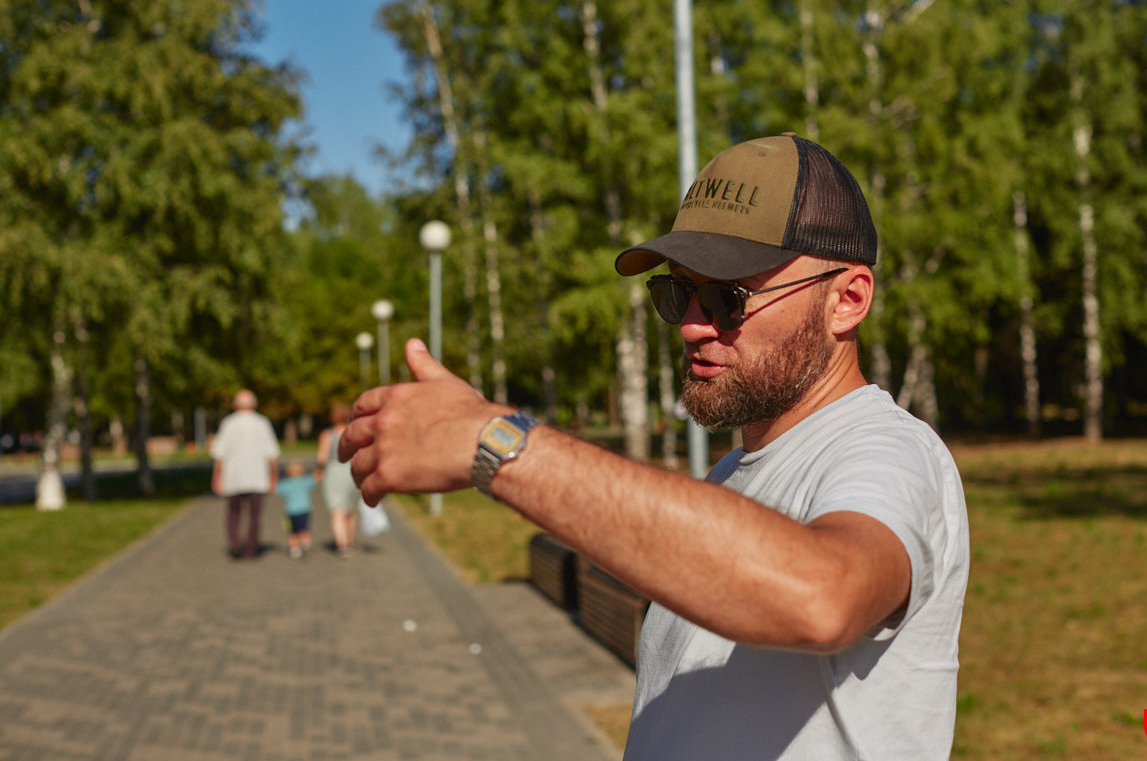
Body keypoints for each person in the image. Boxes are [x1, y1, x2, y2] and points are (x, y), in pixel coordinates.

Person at [337, 133, 970, 759]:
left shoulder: (888, 451)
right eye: (678, 292)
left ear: (848, 301)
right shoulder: (730, 474)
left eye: (728, 298)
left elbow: (824, 596)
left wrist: (497, 443)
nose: (693, 324)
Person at [210, 389, 280, 560]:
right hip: (256, 477)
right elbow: (271, 453)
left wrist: (216, 476)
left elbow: (220, 454)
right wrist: (273, 475)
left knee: (234, 513)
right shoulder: (262, 423)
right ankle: (251, 548)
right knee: (254, 515)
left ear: (235, 405)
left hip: (233, 477)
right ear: (254, 404)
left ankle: (235, 544)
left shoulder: (228, 423)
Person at [316, 403, 360, 558]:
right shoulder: (354, 433)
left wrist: (319, 471)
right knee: (351, 510)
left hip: (334, 471)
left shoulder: (327, 434)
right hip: (352, 471)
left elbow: (322, 456)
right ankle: (349, 540)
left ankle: (343, 545)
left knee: (337, 510)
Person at [275, 459, 315, 559]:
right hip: (305, 510)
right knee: (304, 529)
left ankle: (294, 549)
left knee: (292, 532)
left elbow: (275, 489)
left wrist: (275, 476)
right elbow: (316, 479)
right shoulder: (306, 481)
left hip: (291, 511)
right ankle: (306, 543)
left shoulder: (285, 484)